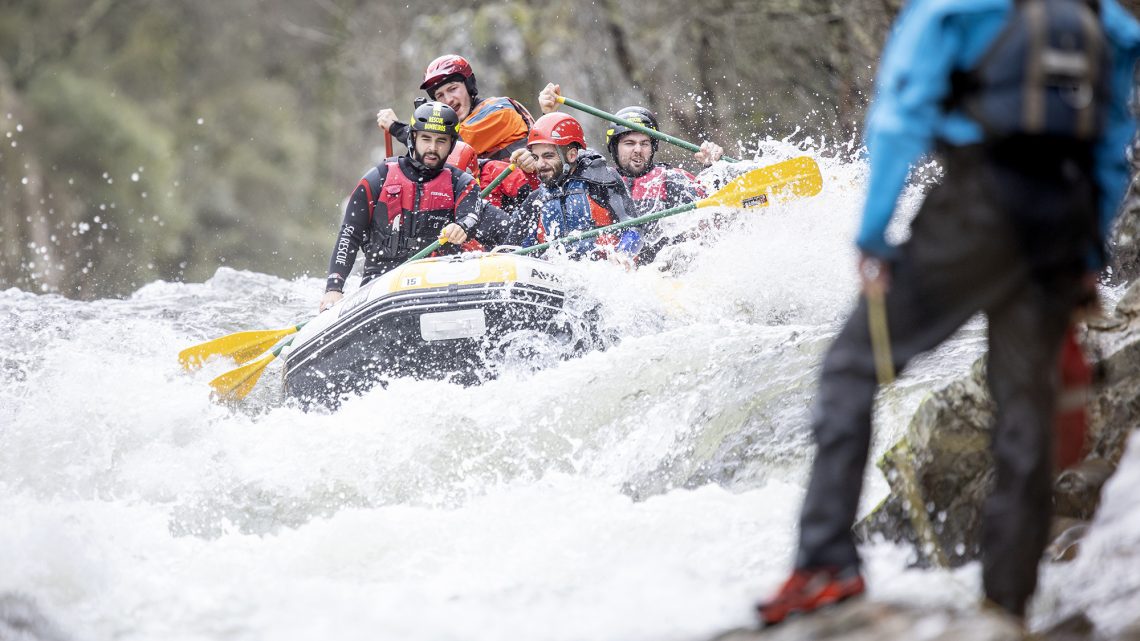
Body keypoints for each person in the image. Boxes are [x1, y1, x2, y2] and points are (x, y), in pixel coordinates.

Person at [756, 0, 1140, 627]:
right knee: (1026, 408)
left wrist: (874, 233)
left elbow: (900, 118)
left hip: (977, 213)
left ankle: (826, 564)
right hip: (1061, 227)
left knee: (852, 367)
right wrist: (1089, 252)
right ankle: (1008, 601)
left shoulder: (956, 10)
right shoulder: (1110, 26)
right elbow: (1112, 147)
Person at [319, 102, 481, 312]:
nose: (432, 148)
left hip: (437, 285)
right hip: (381, 284)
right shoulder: (378, 178)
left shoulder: (462, 183)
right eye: (426, 139)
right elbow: (350, 233)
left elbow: (471, 217)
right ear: (413, 138)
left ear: (451, 144)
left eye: (441, 141)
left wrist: (462, 227)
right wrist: (334, 287)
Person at [538, 84, 724, 262]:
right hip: (620, 272)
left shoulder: (671, 178)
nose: (637, 150)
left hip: (667, 272)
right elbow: (558, 165)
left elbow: (715, 207)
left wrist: (713, 168)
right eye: (629, 143)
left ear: (653, 148)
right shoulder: (600, 180)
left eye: (644, 143)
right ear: (614, 148)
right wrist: (549, 116)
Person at [507, 112, 642, 260]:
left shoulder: (602, 181)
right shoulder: (537, 199)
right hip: (556, 273)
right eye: (536, 157)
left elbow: (633, 227)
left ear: (571, 155)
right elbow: (521, 248)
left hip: (604, 268)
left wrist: (624, 253)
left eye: (548, 156)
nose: (540, 164)